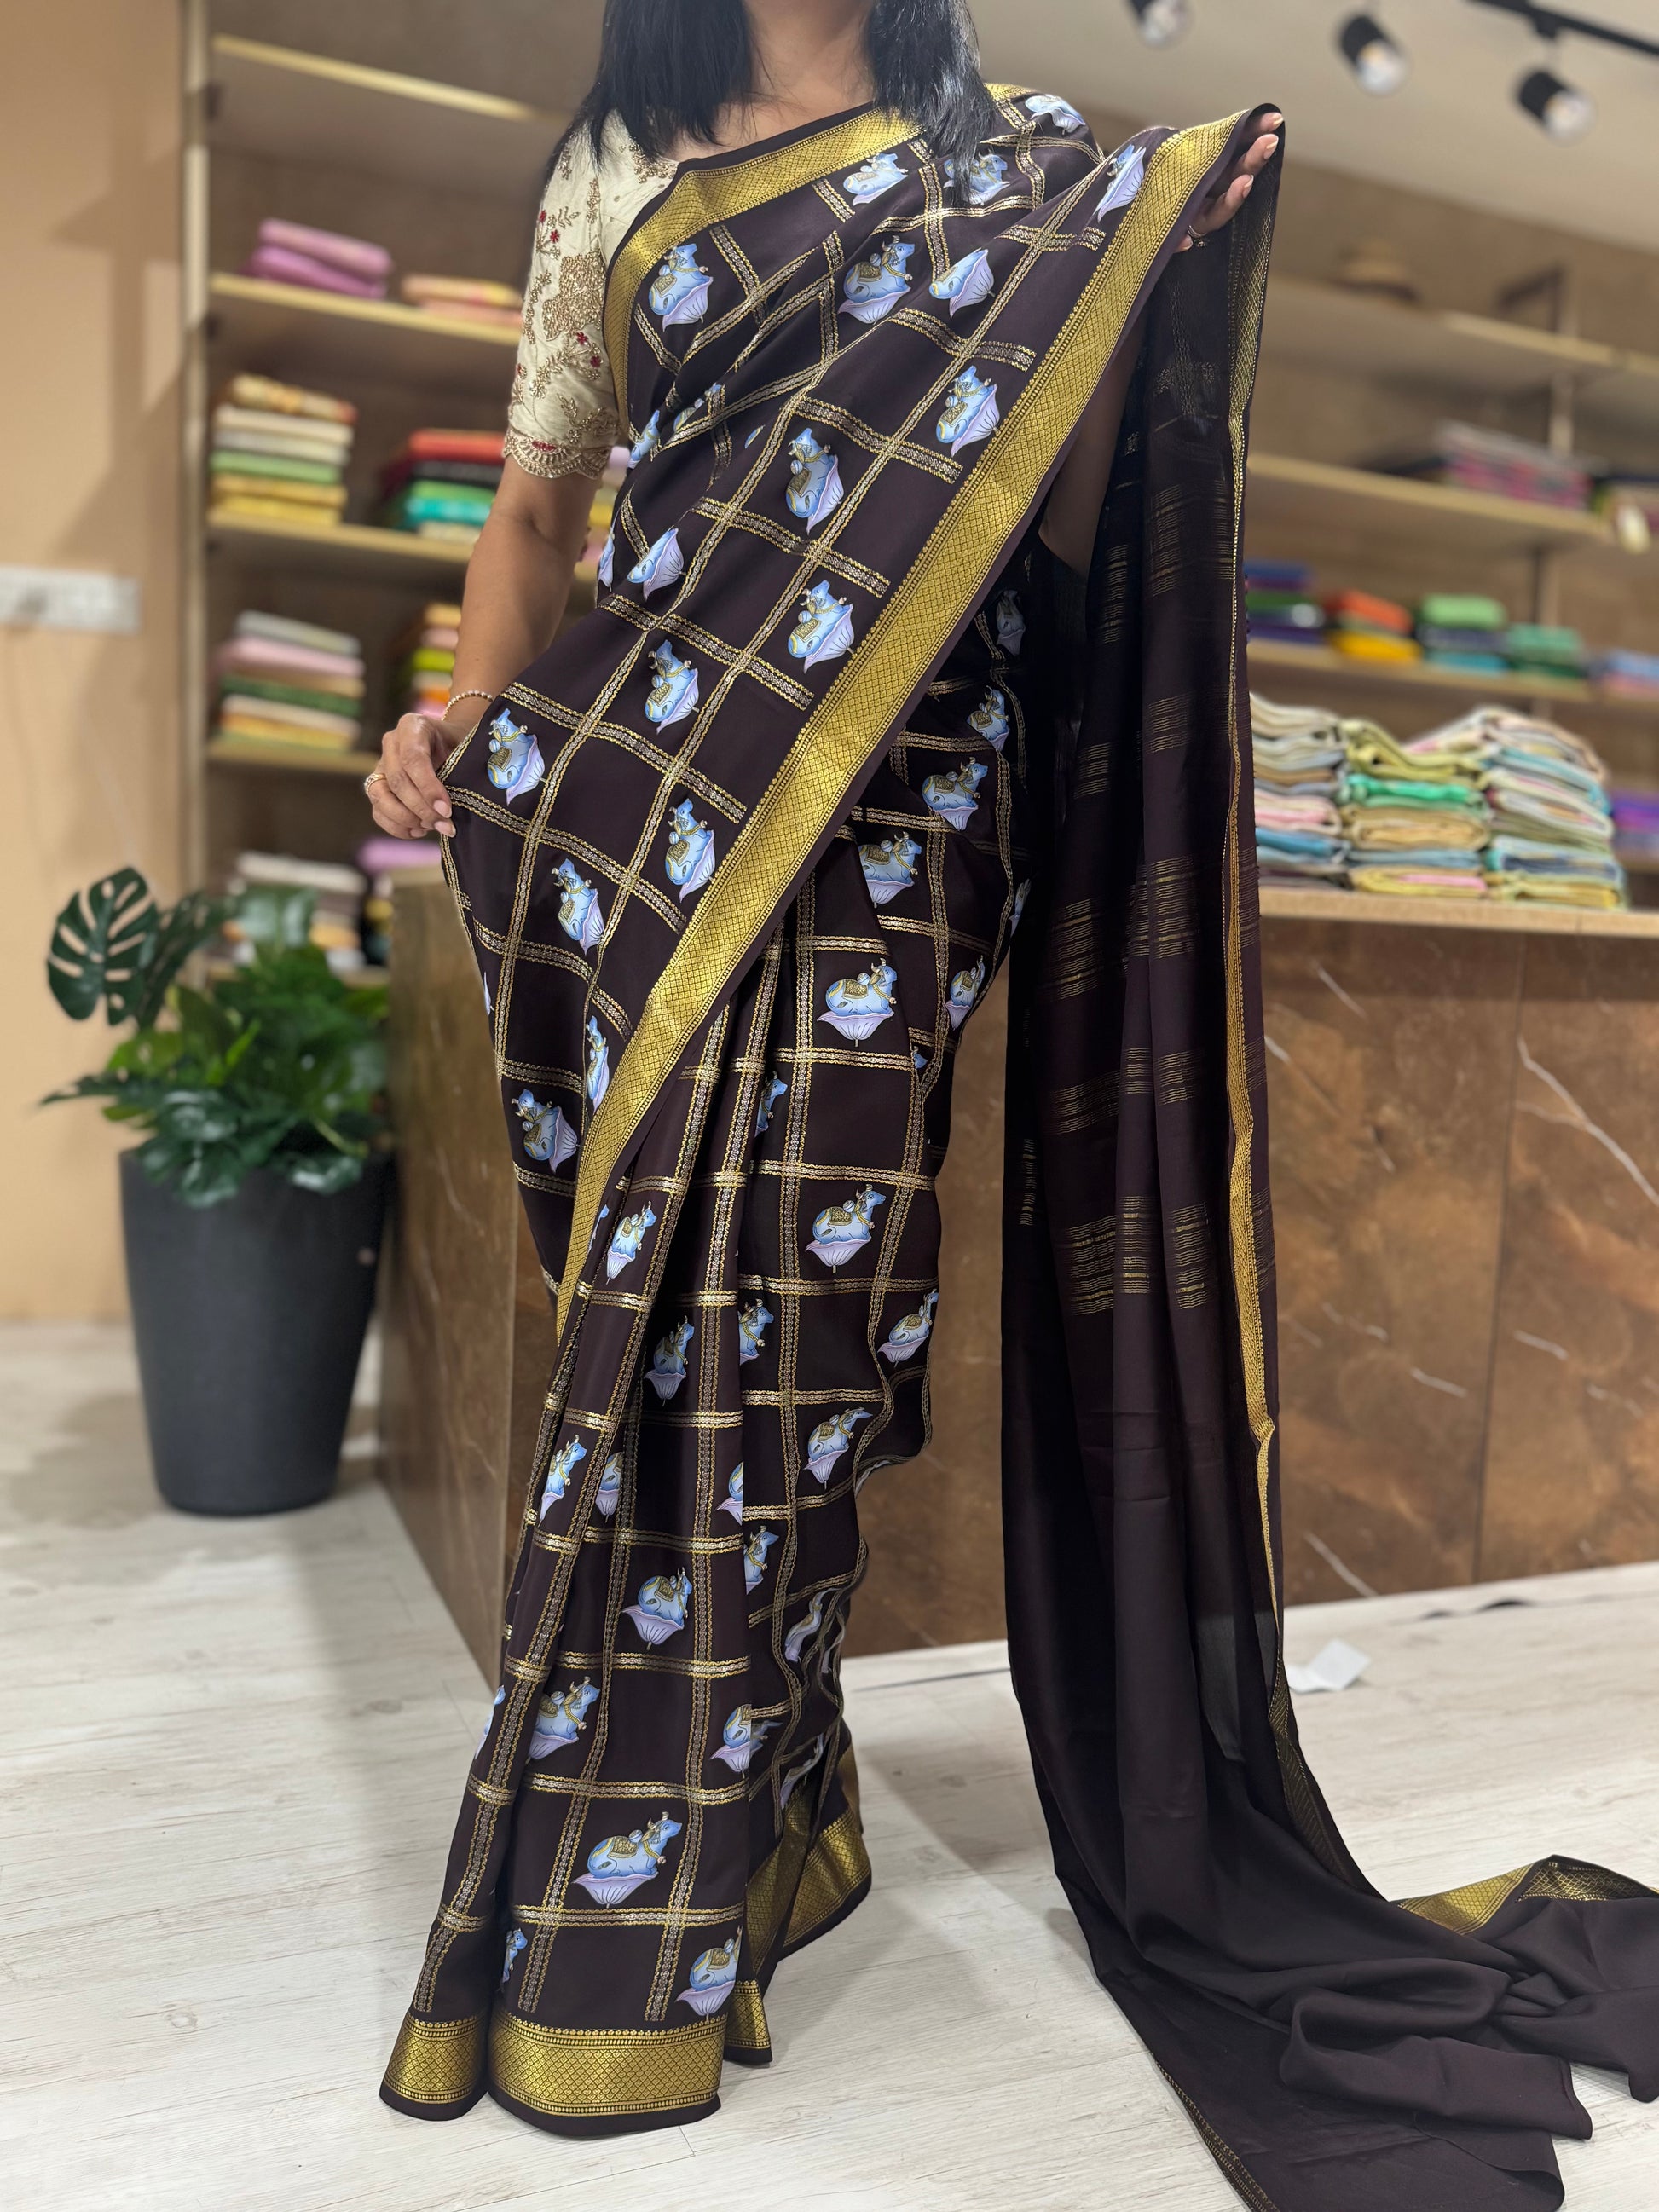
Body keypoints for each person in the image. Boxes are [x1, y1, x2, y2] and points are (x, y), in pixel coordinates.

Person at [373, 2, 1659, 2197]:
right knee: (655, 1338)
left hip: (897, 816)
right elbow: (542, 505)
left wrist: (1148, 277)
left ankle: (658, 1879)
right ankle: (753, 1828)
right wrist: (462, 726)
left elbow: (1043, 518)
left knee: (795, 1326)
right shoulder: (614, 169)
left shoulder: (1018, 167)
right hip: (637, 815)